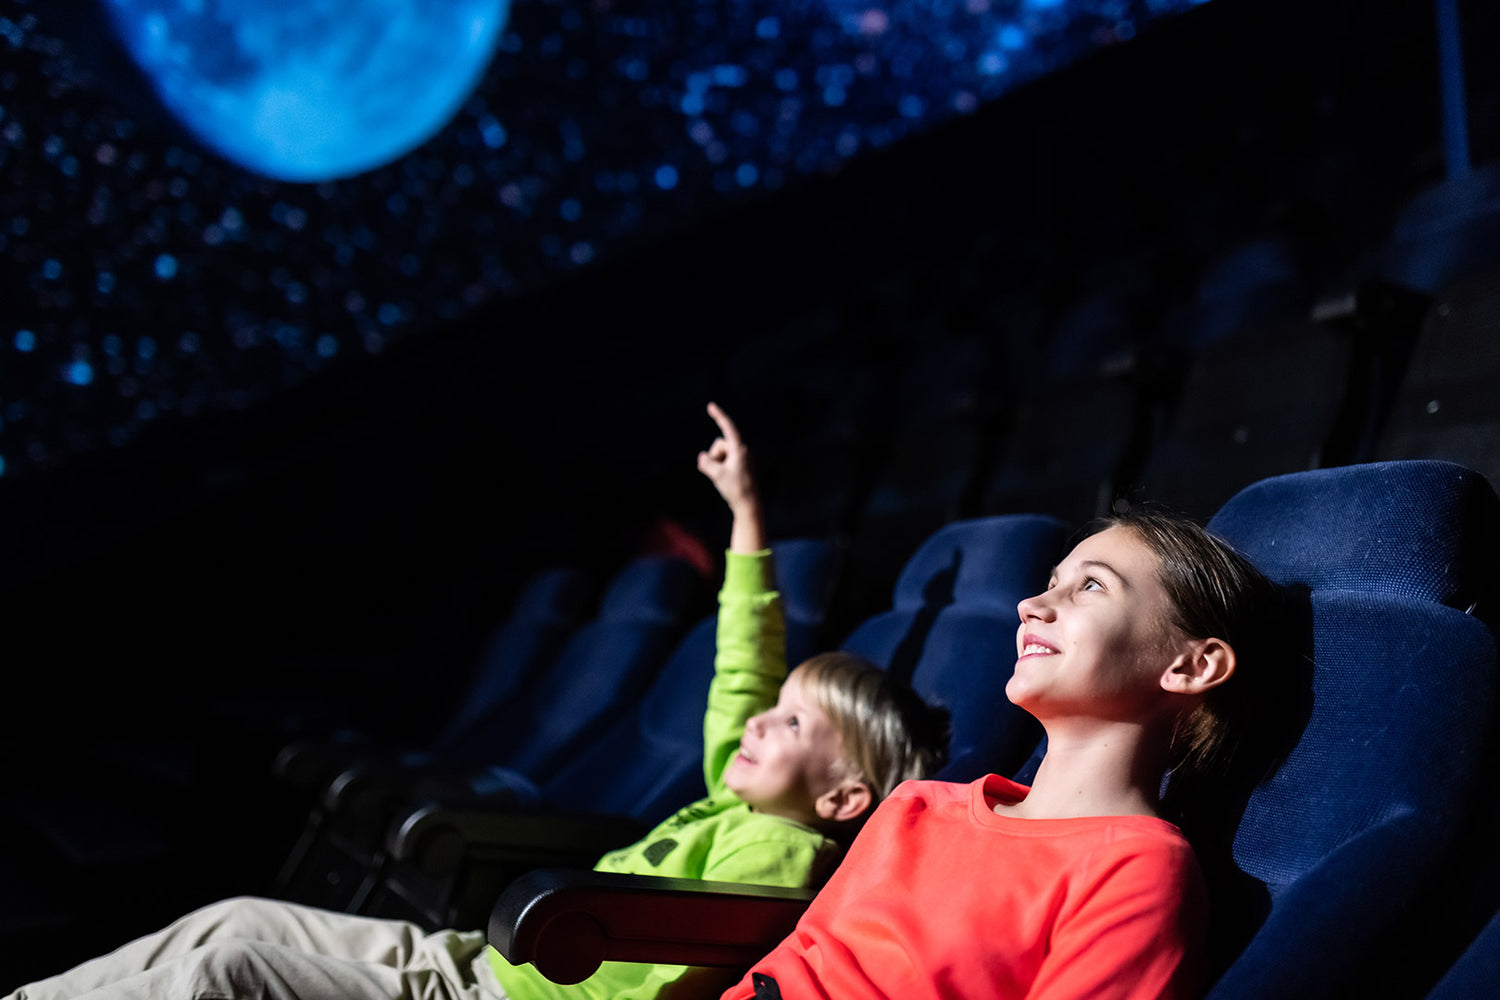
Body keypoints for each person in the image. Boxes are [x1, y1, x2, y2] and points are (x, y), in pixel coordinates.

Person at [5, 402, 950, 1000]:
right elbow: (740, 667)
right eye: (772, 708)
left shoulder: (777, 850)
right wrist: (745, 517)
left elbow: (672, 976)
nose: (755, 718)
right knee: (239, 919)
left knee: (227, 972)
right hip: (470, 964)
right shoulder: (734, 789)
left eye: (791, 724)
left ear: (840, 800)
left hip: (502, 997)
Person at [722, 506, 1285, 1000]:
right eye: (1051, 582)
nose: (1031, 604)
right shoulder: (915, 806)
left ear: (1191, 666)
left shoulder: (1136, 871)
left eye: (1091, 586)